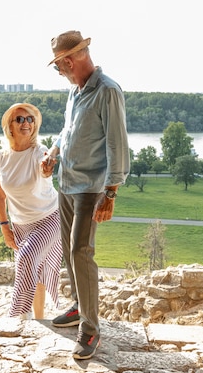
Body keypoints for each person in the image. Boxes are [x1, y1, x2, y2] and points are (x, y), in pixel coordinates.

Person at [42, 30, 130, 360]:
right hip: (67, 182)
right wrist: (53, 152)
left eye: (58, 67)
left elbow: (116, 143)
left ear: (69, 60)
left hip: (91, 188)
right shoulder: (77, 92)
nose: (59, 72)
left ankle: (90, 330)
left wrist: (111, 192)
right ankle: (79, 306)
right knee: (68, 249)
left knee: (81, 250)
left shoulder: (107, 91)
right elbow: (68, 132)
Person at [0, 102, 63, 320]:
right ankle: (39, 320)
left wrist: (47, 168)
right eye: (20, 119)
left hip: (49, 218)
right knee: (35, 271)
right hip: (20, 224)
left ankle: (18, 315)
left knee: (27, 258)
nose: (26, 123)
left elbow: (45, 167)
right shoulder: (1, 157)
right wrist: (5, 227)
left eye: (30, 119)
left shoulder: (39, 152)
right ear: (9, 126)